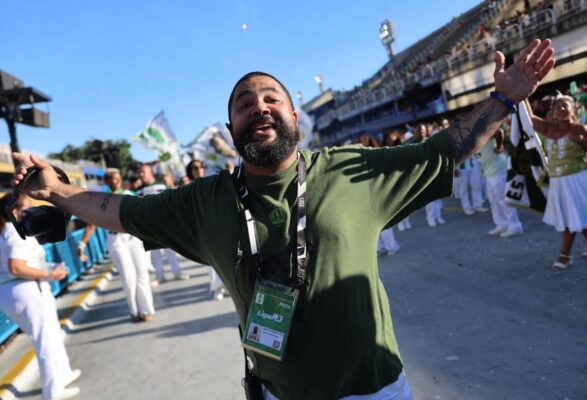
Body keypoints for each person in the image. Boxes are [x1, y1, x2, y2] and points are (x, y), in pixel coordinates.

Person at [11, 39, 555, 400]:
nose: (260, 106)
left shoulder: (352, 170)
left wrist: (502, 103)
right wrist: (56, 189)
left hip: (376, 389)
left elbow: (446, 148)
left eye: (272, 98)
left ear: (295, 117)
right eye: (245, 104)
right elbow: (116, 210)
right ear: (231, 130)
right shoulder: (203, 201)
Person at [0, 194, 81, 400]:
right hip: (26, 289)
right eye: (28, 207)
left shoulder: (6, 231)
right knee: (44, 339)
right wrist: (49, 274)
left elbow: (24, 262)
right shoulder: (14, 232)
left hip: (18, 289)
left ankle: (62, 374)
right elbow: (16, 267)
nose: (32, 212)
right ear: (16, 212)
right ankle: (52, 391)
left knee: (51, 333)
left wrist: (50, 269)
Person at [78, 169, 156, 321]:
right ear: (107, 181)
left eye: (119, 178)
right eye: (113, 179)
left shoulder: (129, 195)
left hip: (133, 237)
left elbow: (141, 215)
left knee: (141, 273)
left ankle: (147, 310)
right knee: (128, 276)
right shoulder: (101, 200)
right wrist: (81, 245)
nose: (117, 181)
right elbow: (91, 226)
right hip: (116, 240)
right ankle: (134, 311)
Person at [526, 94, 587, 270]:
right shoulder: (548, 129)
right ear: (552, 112)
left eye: (565, 105)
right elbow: (529, 118)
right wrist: (522, 96)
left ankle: (564, 255)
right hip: (559, 183)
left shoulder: (580, 129)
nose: (561, 109)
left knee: (575, 218)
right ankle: (565, 255)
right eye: (557, 106)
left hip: (579, 180)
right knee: (577, 218)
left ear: (573, 109)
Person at [136, 163, 189, 283]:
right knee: (155, 253)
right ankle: (160, 276)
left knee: (171, 249)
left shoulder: (162, 184)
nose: (141, 174)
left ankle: (177, 272)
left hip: (166, 223)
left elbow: (170, 200)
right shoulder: (139, 190)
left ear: (151, 173)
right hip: (150, 226)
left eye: (143, 172)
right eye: (140, 172)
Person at [185, 159, 229, 300]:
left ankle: (227, 286)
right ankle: (216, 288)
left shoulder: (212, 183)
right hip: (202, 229)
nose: (199, 169)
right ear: (190, 172)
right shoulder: (188, 188)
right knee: (211, 262)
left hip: (219, 225)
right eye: (195, 168)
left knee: (225, 259)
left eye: (201, 166)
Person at [477, 126, 524, 238]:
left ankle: (514, 225)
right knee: (493, 200)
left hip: (498, 170)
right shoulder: (471, 138)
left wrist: (499, 146)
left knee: (504, 199)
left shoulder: (481, 131)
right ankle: (502, 224)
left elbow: (498, 131)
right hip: (489, 172)